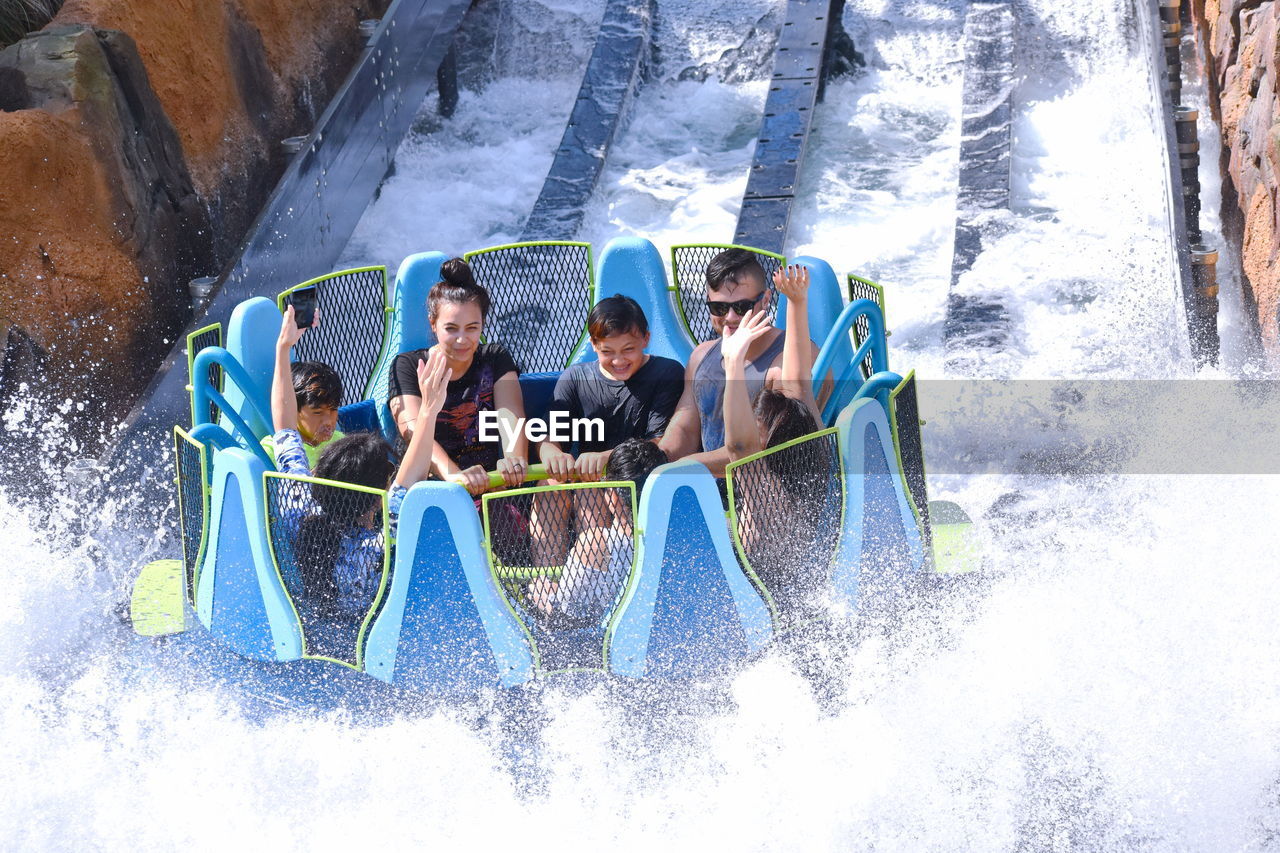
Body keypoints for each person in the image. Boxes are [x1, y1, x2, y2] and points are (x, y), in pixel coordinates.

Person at [271, 305, 450, 634]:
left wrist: (284, 349)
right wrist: (429, 411)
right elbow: (408, 480)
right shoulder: (375, 546)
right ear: (376, 493)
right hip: (368, 634)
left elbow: (284, 427)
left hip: (321, 630)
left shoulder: (300, 508)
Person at [658, 249, 821, 478]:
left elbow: (758, 448)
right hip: (707, 489)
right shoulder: (701, 356)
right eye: (720, 308)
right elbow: (684, 430)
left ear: (765, 300)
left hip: (765, 495)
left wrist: (688, 466)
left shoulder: (784, 361)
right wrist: (658, 461)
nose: (731, 317)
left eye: (742, 307)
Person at [386, 258, 528, 495]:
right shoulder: (410, 365)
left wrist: (514, 461)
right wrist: (454, 475)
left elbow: (511, 415)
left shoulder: (495, 357)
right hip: (432, 488)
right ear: (433, 324)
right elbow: (410, 431)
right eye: (451, 329)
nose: (462, 339)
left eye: (472, 328)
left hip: (489, 483)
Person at [538, 295, 684, 482]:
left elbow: (661, 442)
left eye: (628, 349)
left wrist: (607, 458)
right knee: (550, 484)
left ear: (646, 339)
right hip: (589, 480)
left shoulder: (666, 373)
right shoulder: (575, 378)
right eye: (607, 352)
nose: (618, 361)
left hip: (642, 478)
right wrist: (551, 453)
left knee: (599, 495)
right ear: (593, 345)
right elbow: (547, 433)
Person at [528, 438, 668, 625]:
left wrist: (542, 596)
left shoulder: (595, 543)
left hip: (600, 643)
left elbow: (565, 620)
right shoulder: (674, 541)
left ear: (612, 496)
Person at [722, 264, 822, 461]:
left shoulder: (756, 476)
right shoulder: (819, 450)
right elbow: (799, 383)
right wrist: (796, 301)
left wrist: (733, 363)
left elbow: (739, 446)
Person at [261, 360, 343, 468]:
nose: (328, 421)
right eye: (317, 412)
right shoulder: (271, 450)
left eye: (333, 409)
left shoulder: (340, 443)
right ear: (292, 409)